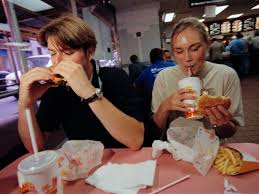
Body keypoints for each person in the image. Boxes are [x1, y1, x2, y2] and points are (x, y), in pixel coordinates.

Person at [18, 15, 144, 152]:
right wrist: (25, 104)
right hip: (82, 163)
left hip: (122, 159)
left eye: (67, 52)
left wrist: (88, 91)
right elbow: (34, 147)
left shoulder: (114, 76)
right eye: (53, 53)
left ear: (89, 52)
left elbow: (136, 139)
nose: (57, 61)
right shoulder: (55, 88)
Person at [152, 17, 244, 139]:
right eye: (179, 51)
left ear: (207, 45)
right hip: (174, 149)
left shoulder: (226, 75)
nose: (187, 58)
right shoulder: (163, 77)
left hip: (213, 149)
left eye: (194, 49)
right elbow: (154, 130)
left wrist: (221, 124)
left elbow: (230, 132)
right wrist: (165, 107)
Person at [135, 48, 175, 117]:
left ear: (151, 59)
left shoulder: (147, 71)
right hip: (175, 102)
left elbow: (136, 84)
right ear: (163, 56)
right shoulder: (173, 65)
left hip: (156, 107)